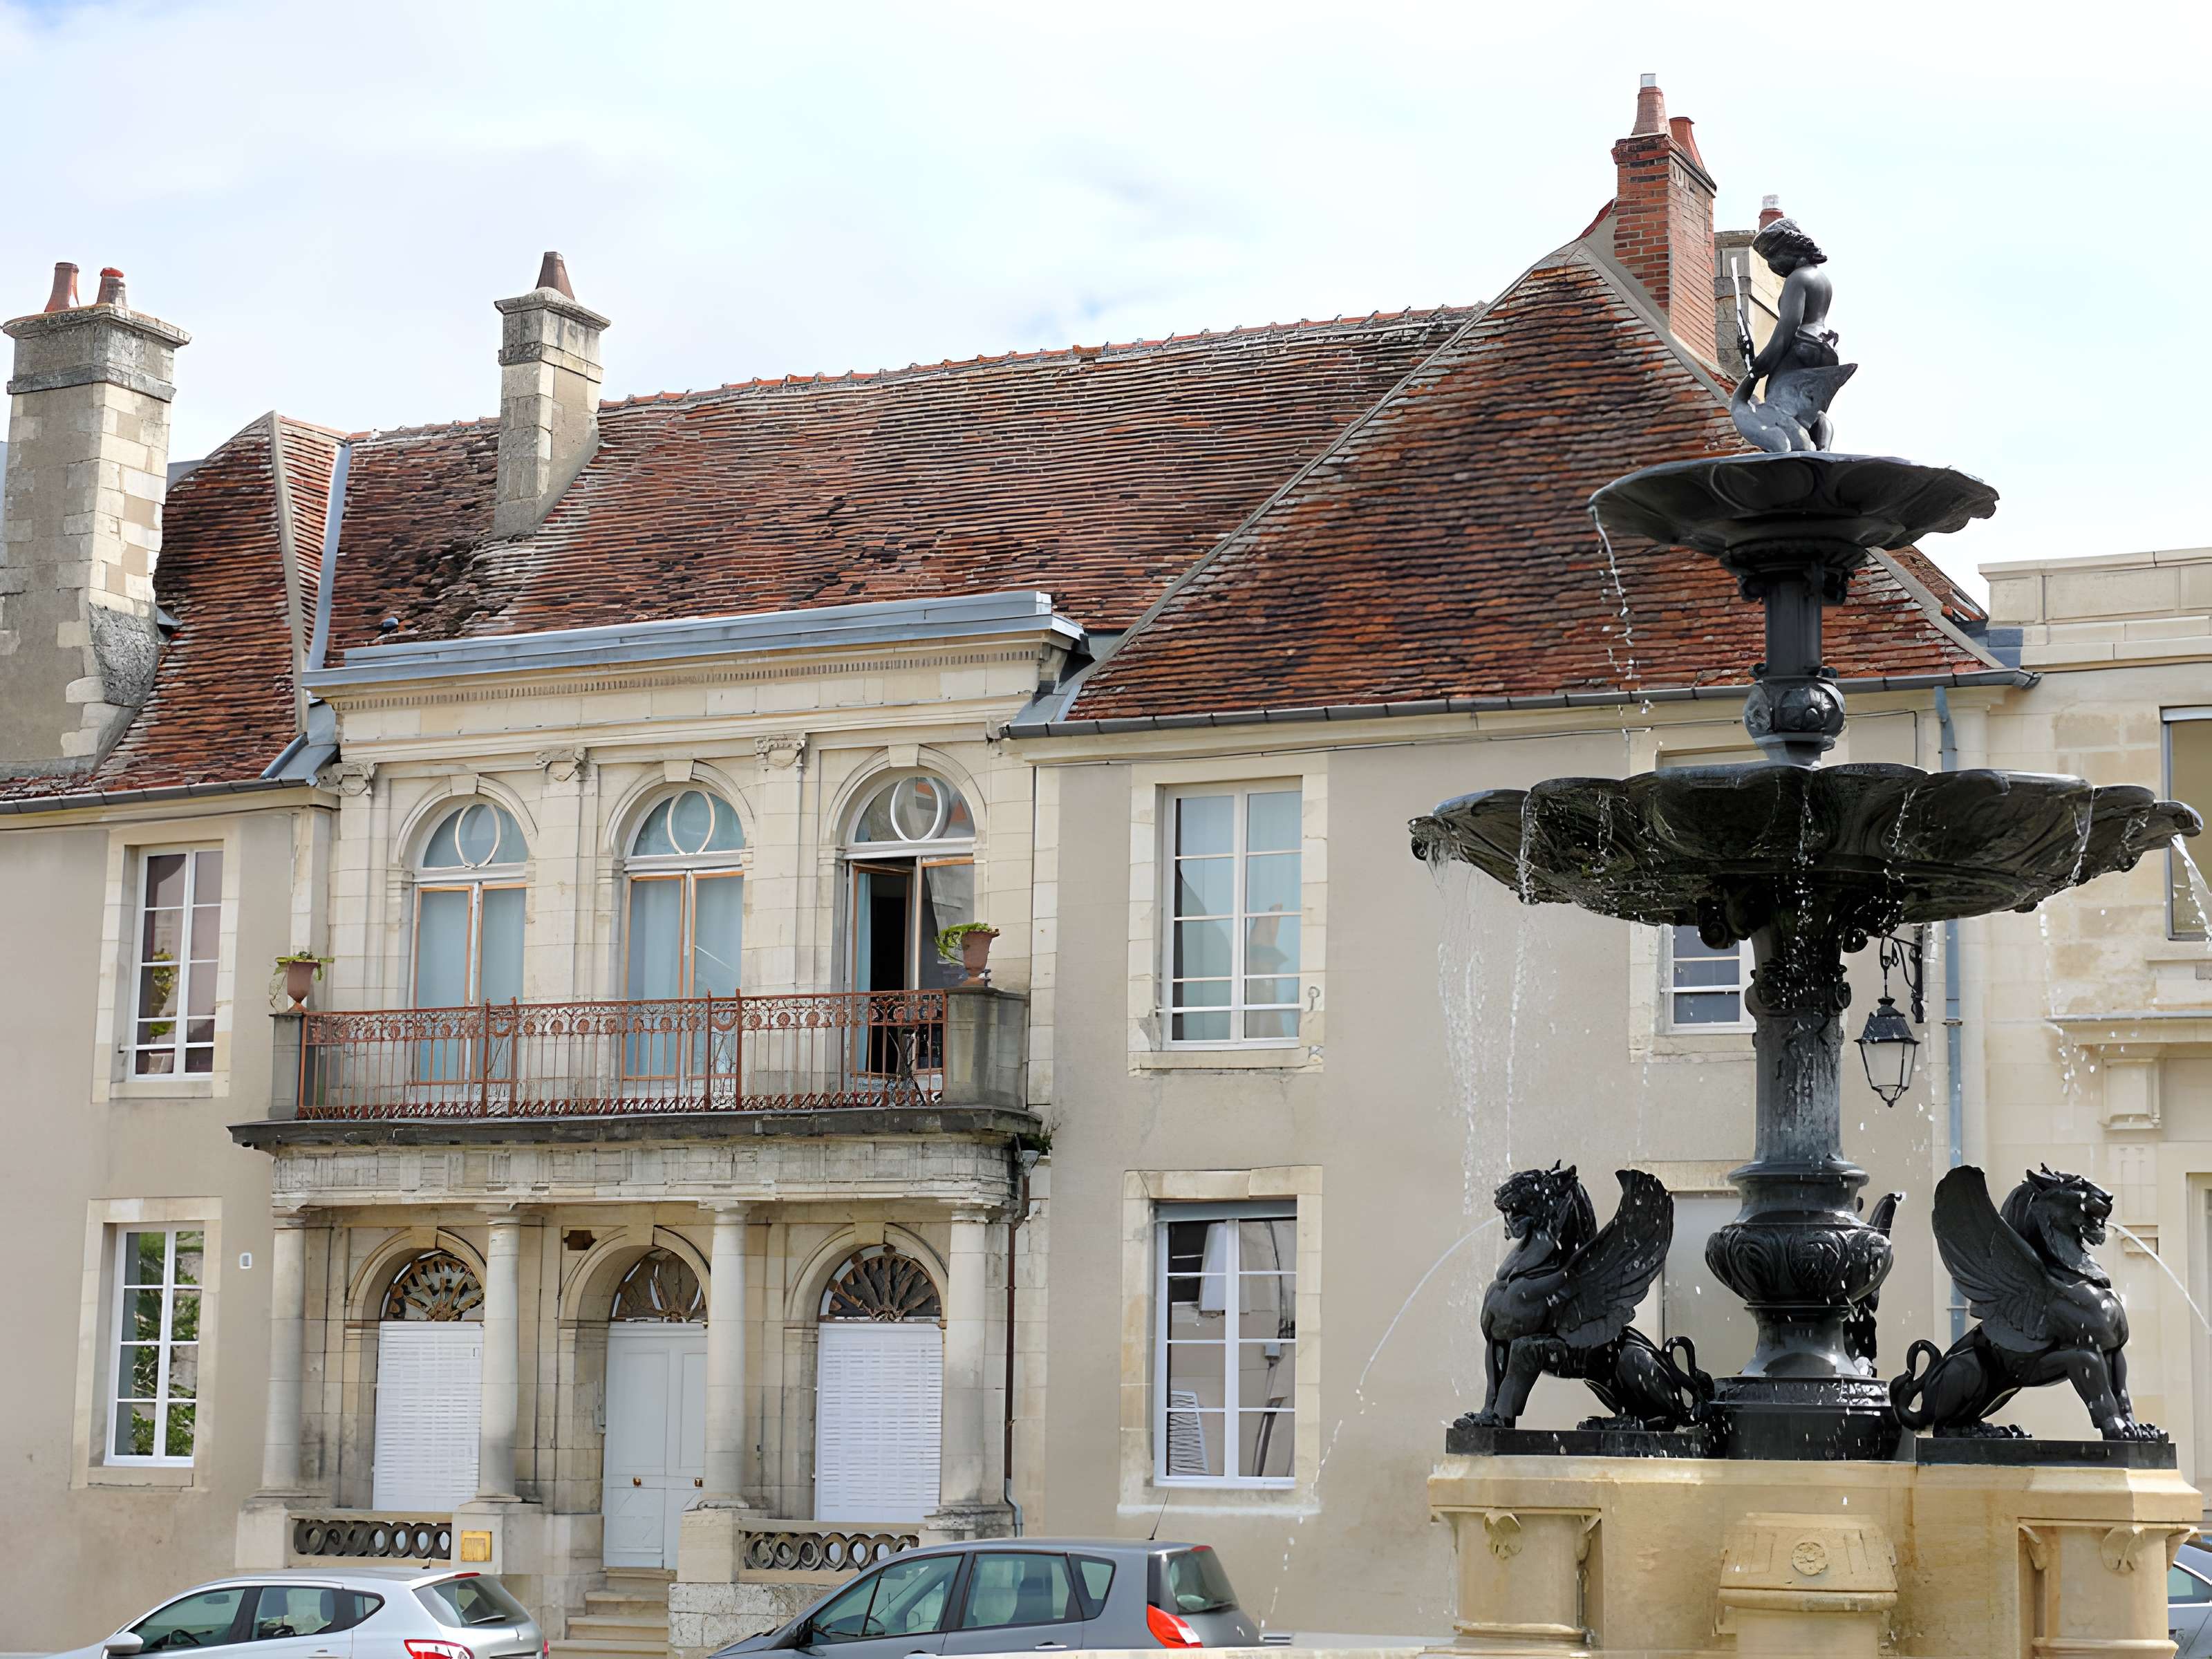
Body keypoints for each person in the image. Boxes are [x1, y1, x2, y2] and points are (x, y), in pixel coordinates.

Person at [1730, 217, 1855, 453]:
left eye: (1774, 258)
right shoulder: (1822, 280)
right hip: (1824, 346)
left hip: (1800, 345)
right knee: (1804, 408)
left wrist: (1762, 364)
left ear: (1792, 250)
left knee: (1778, 405)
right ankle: (1819, 438)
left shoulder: (1797, 279)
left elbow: (1788, 326)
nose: (1772, 267)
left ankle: (1792, 452)